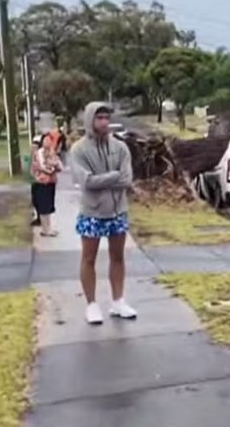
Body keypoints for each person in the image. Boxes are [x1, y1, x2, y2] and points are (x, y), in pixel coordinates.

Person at [70, 102, 136, 325]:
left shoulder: (120, 147)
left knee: (117, 257)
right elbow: (86, 181)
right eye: (99, 118)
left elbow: (127, 179)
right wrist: (113, 176)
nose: (104, 122)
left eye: (107, 118)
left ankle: (118, 301)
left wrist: (109, 178)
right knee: (89, 258)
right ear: (90, 120)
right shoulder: (78, 149)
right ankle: (91, 304)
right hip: (92, 212)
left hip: (118, 211)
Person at [32, 133, 63, 236]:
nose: (48, 142)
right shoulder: (39, 153)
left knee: (49, 206)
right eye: (46, 140)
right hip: (41, 182)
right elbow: (43, 167)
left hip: (51, 182)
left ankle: (48, 228)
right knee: (43, 206)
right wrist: (52, 166)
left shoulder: (52, 152)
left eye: (50, 140)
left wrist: (54, 165)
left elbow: (59, 165)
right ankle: (45, 229)